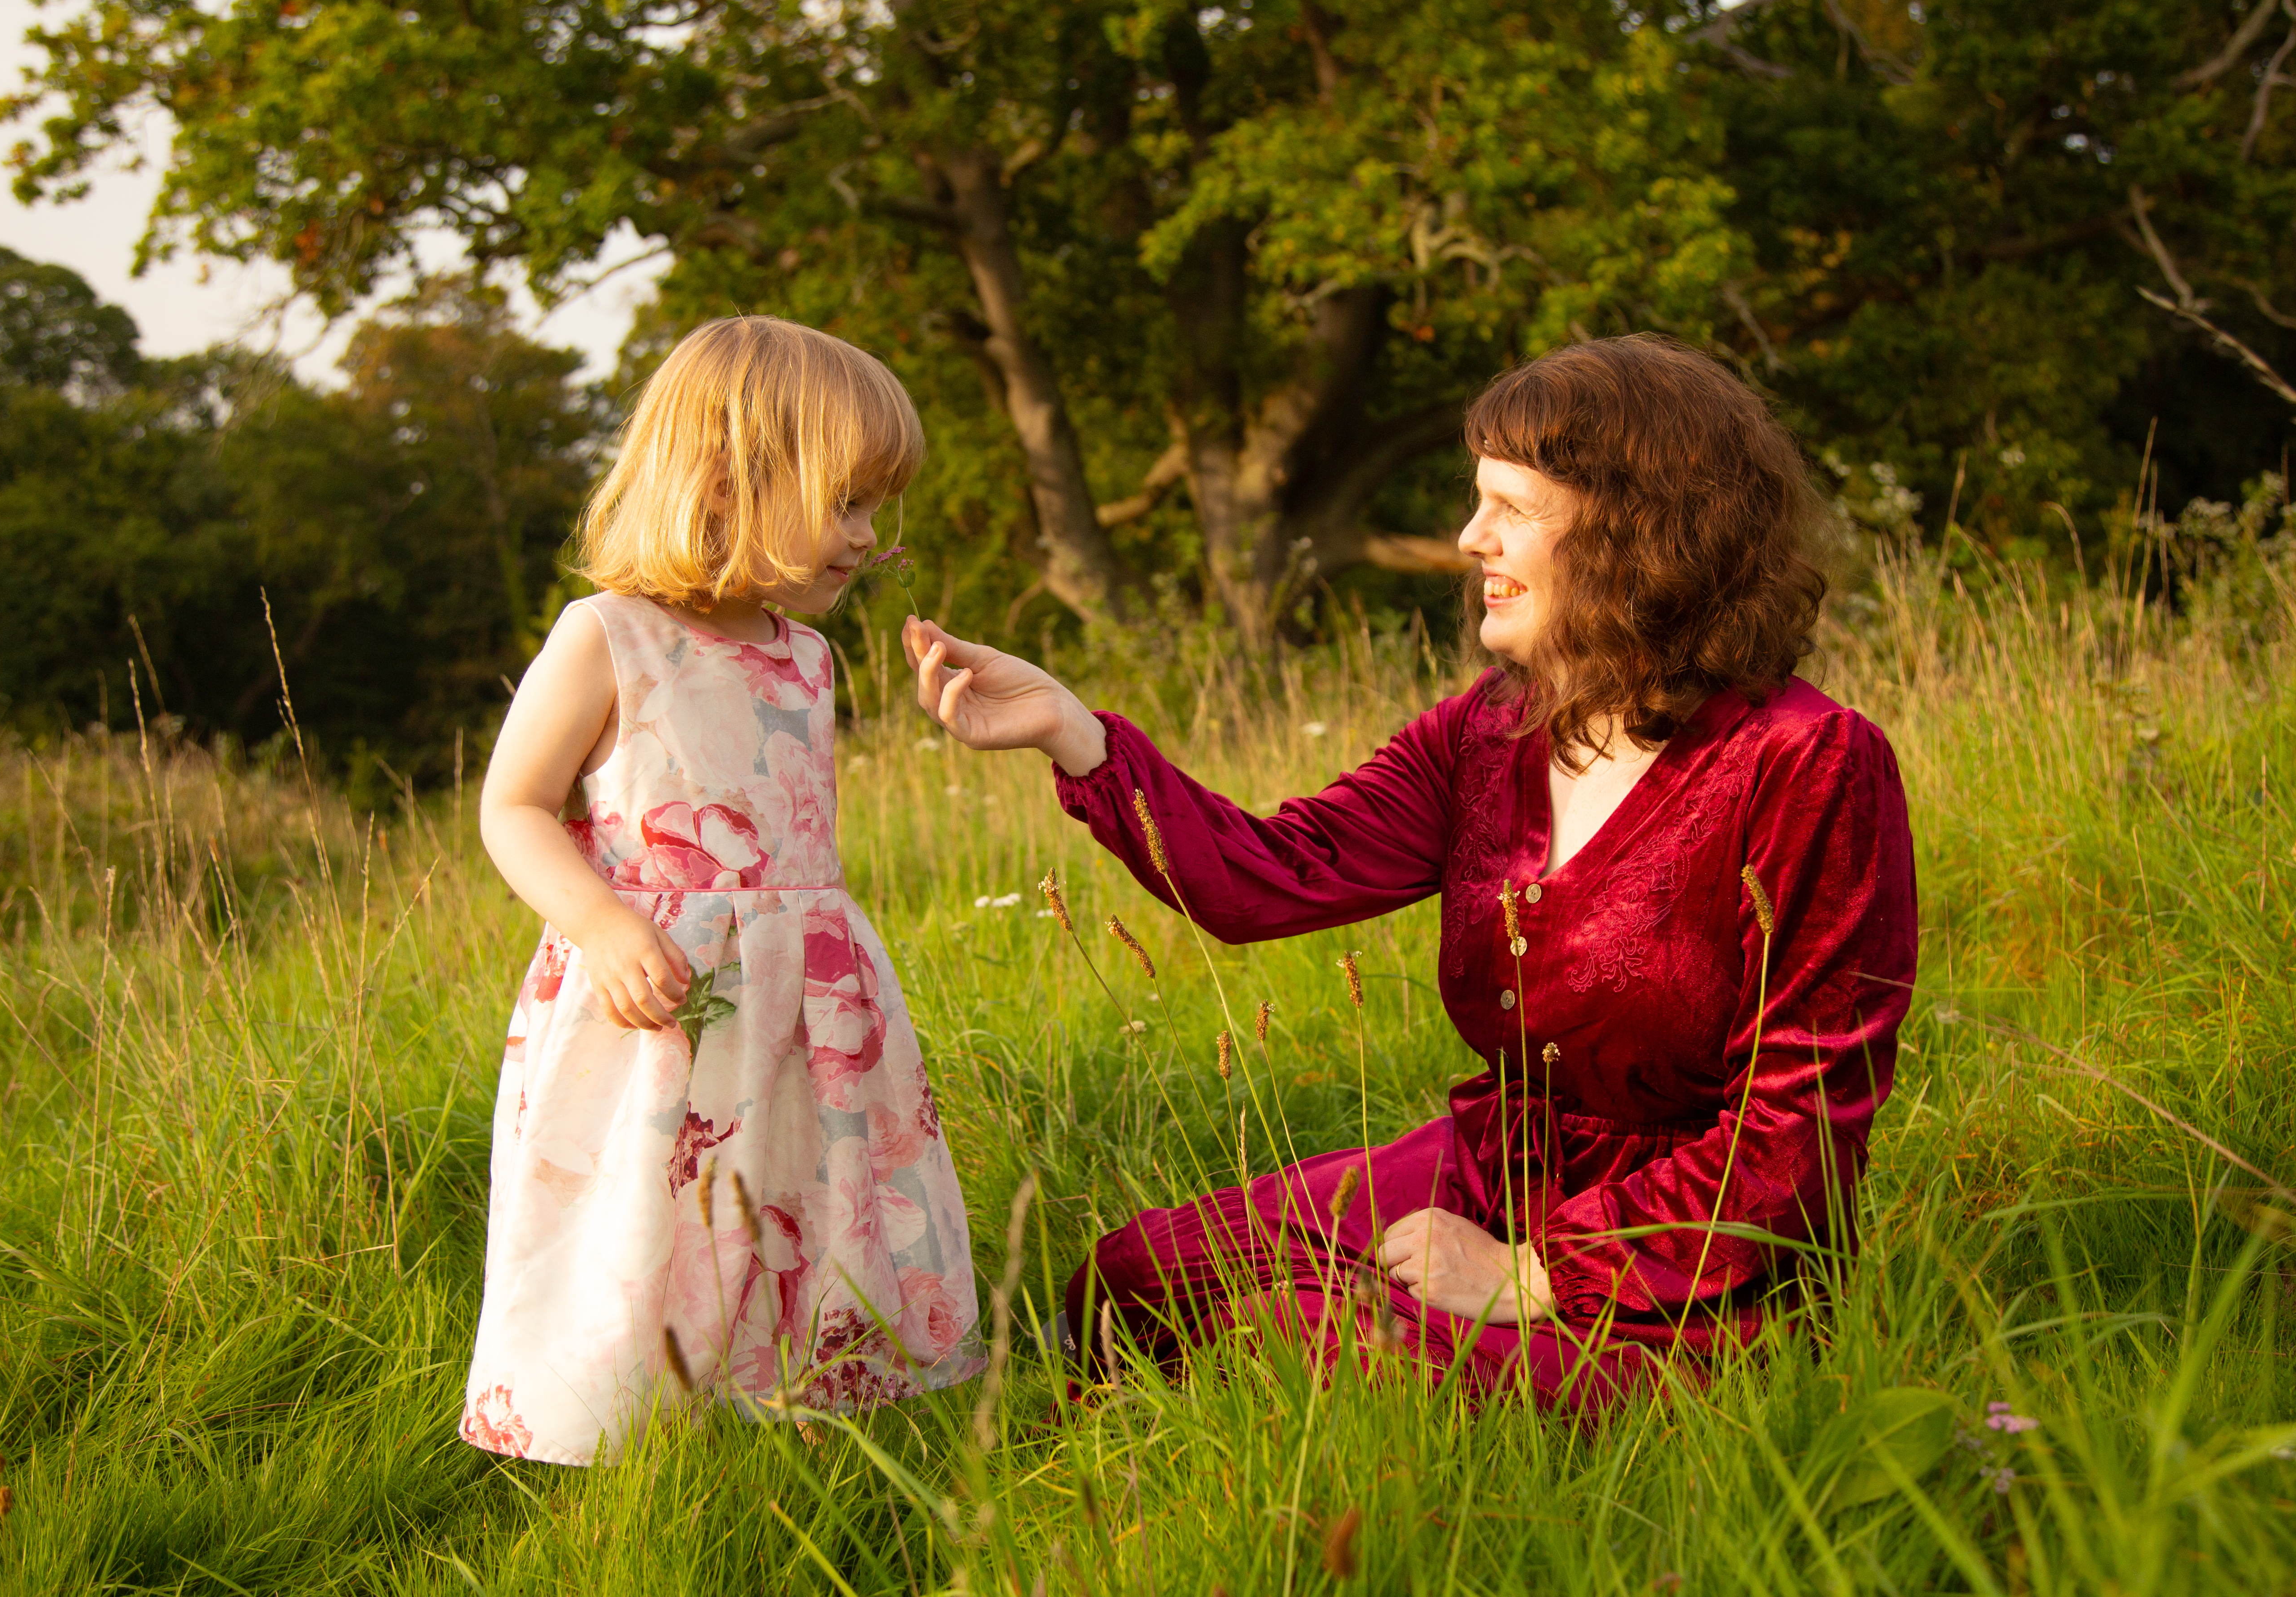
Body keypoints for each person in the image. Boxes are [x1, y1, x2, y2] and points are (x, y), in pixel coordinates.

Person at [902, 334, 1917, 1415]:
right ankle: (1050, 1431)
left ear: (1640, 529)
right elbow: (1267, 876)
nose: (1472, 537)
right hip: (1495, 1165)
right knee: (1139, 1275)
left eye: (1510, 508)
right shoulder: (1489, 732)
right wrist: (1077, 737)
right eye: (1478, 502)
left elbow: (1799, 1136)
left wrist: (1532, 1275)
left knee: (1311, 1331)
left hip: (1695, 1263)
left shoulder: (1808, 764)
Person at [460, 317, 983, 1465]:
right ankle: (631, 1434)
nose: (868, 537)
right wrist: (600, 925)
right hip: (662, 998)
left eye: (876, 506)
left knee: (812, 1193)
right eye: (846, 502)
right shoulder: (609, 637)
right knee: (649, 1214)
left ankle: (803, 1406)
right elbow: (514, 807)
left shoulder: (809, 657)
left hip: (809, 1000)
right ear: (727, 478)